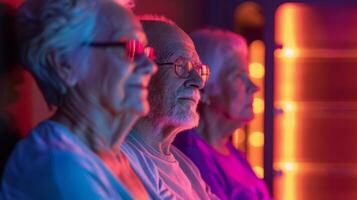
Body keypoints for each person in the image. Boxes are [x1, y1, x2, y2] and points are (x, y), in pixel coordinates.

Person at [1, 0, 157, 199]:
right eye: (130, 49)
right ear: (64, 65)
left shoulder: (115, 157)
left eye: (145, 51)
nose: (150, 67)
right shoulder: (58, 166)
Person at [121, 16, 217, 199]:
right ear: (139, 71)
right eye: (181, 65)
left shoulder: (185, 165)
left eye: (199, 69)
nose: (198, 82)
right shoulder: (121, 159)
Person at [173, 29, 271, 200]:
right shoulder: (190, 155)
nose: (254, 87)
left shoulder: (234, 153)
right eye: (239, 76)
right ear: (206, 87)